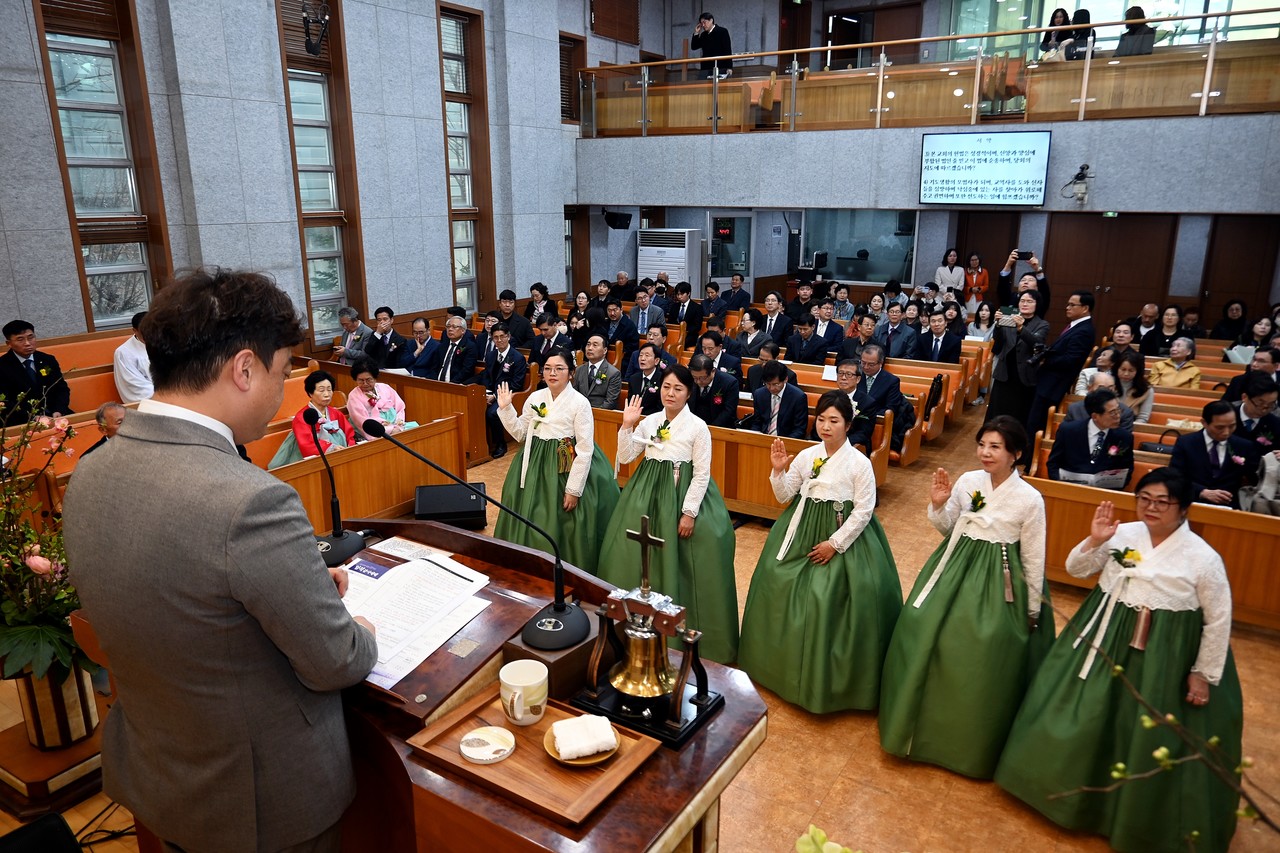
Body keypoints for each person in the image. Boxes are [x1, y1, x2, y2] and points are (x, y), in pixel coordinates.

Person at [63, 267, 377, 852]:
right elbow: (336, 661)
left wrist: (299, 586)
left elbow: (186, 602)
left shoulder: (90, 472)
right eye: (283, 372)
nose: (284, 390)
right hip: (261, 803)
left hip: (164, 778)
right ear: (244, 368)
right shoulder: (250, 498)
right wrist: (359, 629)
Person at [995, 469, 1241, 853]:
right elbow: (1076, 568)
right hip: (1105, 633)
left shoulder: (1203, 558)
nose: (1151, 507)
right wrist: (1095, 539)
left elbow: (1218, 619)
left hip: (1164, 652)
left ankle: (1127, 815)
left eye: (1162, 501)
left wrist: (1202, 674)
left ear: (1183, 508)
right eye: (1144, 498)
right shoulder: (1123, 533)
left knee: (1141, 728)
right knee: (1084, 710)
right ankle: (1061, 791)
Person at [878, 416, 1054, 779]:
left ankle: (964, 740)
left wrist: (1033, 608)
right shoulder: (970, 481)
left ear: (1016, 454)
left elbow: (1034, 558)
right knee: (919, 625)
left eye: (995, 447)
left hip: (998, 580)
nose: (985, 453)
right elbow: (948, 529)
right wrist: (939, 505)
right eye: (982, 445)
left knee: (979, 648)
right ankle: (911, 723)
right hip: (955, 565)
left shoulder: (1030, 500)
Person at [738, 391, 902, 713]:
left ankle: (827, 683)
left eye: (834, 421)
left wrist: (834, 544)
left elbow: (864, 511)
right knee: (774, 579)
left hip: (841, 535)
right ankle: (774, 667)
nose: (826, 427)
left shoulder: (859, 463)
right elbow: (785, 496)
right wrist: (777, 471)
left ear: (848, 424)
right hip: (801, 531)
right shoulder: (807, 455)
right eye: (822, 420)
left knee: (825, 596)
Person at [598, 365, 738, 663]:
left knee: (687, 553)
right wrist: (627, 426)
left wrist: (688, 513)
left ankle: (677, 627)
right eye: (665, 387)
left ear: (689, 393)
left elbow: (702, 474)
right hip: (647, 493)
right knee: (635, 550)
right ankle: (634, 621)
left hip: (679, 492)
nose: (670, 393)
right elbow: (625, 458)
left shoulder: (698, 427)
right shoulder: (650, 422)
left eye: (677, 388)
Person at [494, 349, 619, 574]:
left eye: (559, 369)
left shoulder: (580, 403)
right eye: (548, 369)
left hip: (565, 462)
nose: (553, 373)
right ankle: (527, 565)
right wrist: (506, 409)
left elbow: (585, 449)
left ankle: (563, 569)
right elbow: (521, 433)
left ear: (571, 373)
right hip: (534, 462)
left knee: (562, 518)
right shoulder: (536, 397)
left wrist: (574, 489)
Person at [1027, 290, 1095, 443]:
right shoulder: (1075, 326)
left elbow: (1071, 360)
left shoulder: (1084, 330)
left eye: (1072, 305)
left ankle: (1031, 460)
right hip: (1047, 381)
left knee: (1037, 423)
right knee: (1033, 421)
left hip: (1053, 385)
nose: (1067, 307)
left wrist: (1046, 359)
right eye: (1068, 304)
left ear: (1085, 308)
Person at [1170, 400, 1257, 507]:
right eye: (1220, 427)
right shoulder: (1186, 443)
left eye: (1232, 426)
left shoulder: (1244, 446)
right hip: (1192, 502)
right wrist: (1202, 492)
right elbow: (1175, 477)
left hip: (1229, 505)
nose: (1226, 432)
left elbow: (1255, 477)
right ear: (1204, 423)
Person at [268, 369, 357, 469]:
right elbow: (306, 444)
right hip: (313, 461)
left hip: (341, 456)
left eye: (329, 389)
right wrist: (331, 448)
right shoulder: (302, 417)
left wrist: (350, 450)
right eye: (321, 390)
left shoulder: (336, 413)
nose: (327, 394)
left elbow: (349, 434)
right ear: (310, 393)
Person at [1047, 388, 1134, 489]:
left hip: (1105, 495)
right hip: (1069, 491)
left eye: (1118, 410)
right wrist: (1060, 485)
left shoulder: (1124, 437)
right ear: (1095, 416)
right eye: (1112, 413)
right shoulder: (1068, 431)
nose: (1118, 416)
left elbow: (1127, 470)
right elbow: (1053, 464)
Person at [986, 291, 1049, 424]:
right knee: (997, 413)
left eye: (1029, 301)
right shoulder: (1009, 318)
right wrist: (997, 325)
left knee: (1019, 414)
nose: (1025, 304)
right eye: (1022, 301)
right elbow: (998, 345)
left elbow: (1037, 343)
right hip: (1004, 373)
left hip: (1024, 375)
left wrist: (1021, 328)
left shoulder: (1042, 324)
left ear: (1037, 305)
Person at [472, 323, 526, 457]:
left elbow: (516, 384)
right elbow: (486, 376)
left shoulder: (517, 358)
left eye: (502, 336)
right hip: (490, 393)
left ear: (508, 337)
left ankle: (500, 444)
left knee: (492, 413)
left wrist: (495, 396)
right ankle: (480, 445)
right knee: (473, 406)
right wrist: (485, 393)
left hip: (508, 395)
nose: (499, 340)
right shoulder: (490, 356)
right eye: (496, 337)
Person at [0, 320, 71, 418]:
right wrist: (32, 417)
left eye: (31, 337)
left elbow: (61, 389)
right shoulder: (2, 366)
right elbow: (4, 402)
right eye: (20, 339)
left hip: (56, 414)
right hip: (23, 419)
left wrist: (59, 410)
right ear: (9, 343)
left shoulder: (47, 359)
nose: (27, 343)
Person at [347, 359, 408, 441]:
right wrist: (390, 430)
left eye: (368, 380)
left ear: (375, 378)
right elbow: (362, 421)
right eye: (361, 380)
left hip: (397, 427)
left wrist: (398, 426)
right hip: (376, 432)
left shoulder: (385, 387)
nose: (365, 384)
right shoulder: (353, 396)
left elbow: (400, 408)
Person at [752, 359, 807, 438]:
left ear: (785, 379)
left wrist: (782, 443)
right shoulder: (759, 394)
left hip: (786, 441)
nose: (771, 388)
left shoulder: (798, 397)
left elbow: (799, 429)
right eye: (768, 384)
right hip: (763, 439)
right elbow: (757, 422)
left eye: (776, 384)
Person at [1066, 371, 1136, 432]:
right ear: (1090, 388)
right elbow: (1067, 435)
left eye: (1110, 388)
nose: (1106, 392)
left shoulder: (1125, 412)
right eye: (1102, 388)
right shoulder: (1074, 409)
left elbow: (1122, 441)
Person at [688, 353, 740, 428]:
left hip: (720, 427)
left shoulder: (729, 383)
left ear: (713, 371)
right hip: (693, 426)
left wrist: (711, 428)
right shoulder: (689, 379)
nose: (698, 381)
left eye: (702, 378)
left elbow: (728, 411)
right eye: (695, 378)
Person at [572, 332, 622, 409]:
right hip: (578, 411)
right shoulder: (579, 369)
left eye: (595, 345)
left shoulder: (613, 373)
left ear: (605, 350)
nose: (590, 348)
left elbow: (610, 401)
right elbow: (574, 394)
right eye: (588, 344)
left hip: (600, 414)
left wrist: (593, 414)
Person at [995, 250, 1050, 317]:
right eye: (1023, 280)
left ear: (1037, 287)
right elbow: (1002, 288)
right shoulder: (1012, 297)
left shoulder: (1039, 300)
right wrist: (1008, 264)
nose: (1026, 282)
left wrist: (1037, 269)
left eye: (1030, 280)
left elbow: (1045, 291)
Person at [1233, 373, 1280, 452]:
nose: (1264, 409)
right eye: (1260, 403)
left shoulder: (1276, 424)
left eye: (1271, 404)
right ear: (1244, 397)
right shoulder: (1226, 416)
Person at [113, 311, 152, 403]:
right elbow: (135, 387)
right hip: (152, 403)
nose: (149, 335)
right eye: (144, 332)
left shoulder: (168, 343)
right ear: (135, 330)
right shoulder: (124, 353)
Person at [626, 342, 667, 416]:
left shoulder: (662, 380)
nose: (642, 358)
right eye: (640, 355)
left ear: (656, 361)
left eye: (647, 355)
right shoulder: (634, 378)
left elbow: (661, 408)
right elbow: (630, 403)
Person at [433, 316, 478, 383]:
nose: (450, 329)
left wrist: (452, 384)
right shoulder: (443, 345)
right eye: (448, 326)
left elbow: (466, 370)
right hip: (438, 382)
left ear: (463, 330)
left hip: (457, 384)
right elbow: (434, 366)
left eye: (454, 327)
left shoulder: (469, 347)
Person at [1114, 350, 1154, 424]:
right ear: (1117, 369)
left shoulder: (1146, 390)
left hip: (1131, 427)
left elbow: (1143, 418)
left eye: (1131, 370)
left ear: (1137, 371)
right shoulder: (1108, 384)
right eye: (1123, 369)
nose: (1126, 374)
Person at [690, 11, 733, 78]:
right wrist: (696, 33)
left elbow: (727, 49)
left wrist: (729, 67)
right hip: (705, 68)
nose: (703, 25)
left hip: (720, 66)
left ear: (711, 20)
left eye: (704, 22)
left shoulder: (722, 31)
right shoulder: (703, 35)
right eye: (701, 24)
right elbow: (694, 46)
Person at [667, 282, 704, 349]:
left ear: (688, 293)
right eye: (678, 294)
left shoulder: (697, 307)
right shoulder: (674, 306)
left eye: (682, 294)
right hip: (675, 333)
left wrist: (684, 331)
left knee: (681, 344)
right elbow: (670, 322)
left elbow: (697, 326)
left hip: (690, 335)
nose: (679, 297)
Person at [604, 298, 639, 364]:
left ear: (621, 310)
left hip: (624, 360)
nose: (612, 313)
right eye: (609, 310)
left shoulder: (629, 325)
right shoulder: (605, 323)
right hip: (605, 357)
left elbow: (632, 347)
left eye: (615, 310)